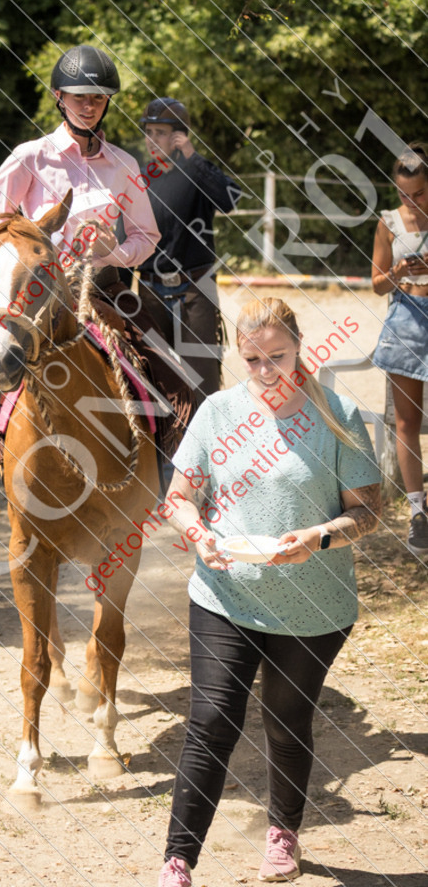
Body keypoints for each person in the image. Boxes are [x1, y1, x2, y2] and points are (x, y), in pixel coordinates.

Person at [157, 297, 381, 887]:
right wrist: (197, 532)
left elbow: (368, 513)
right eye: (252, 358)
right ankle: (177, 861)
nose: (265, 371)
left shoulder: (339, 415)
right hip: (224, 593)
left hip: (314, 604)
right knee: (209, 721)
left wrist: (321, 537)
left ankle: (283, 832)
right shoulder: (217, 413)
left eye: (277, 356)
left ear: (299, 345)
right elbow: (178, 498)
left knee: (286, 721)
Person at [0, 44, 166, 539]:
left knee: (163, 373)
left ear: (107, 102)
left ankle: (167, 483)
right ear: (59, 98)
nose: (88, 105)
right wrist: (29, 247)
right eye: (78, 96)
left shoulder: (124, 166)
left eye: (98, 97)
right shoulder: (29, 158)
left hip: (104, 292)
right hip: (33, 294)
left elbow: (147, 238)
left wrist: (111, 250)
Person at [137, 97, 239, 403]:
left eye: (161, 132)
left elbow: (229, 200)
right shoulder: (139, 179)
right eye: (149, 132)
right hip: (150, 292)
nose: (152, 139)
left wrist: (192, 156)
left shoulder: (198, 173)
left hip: (196, 290)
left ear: (179, 136)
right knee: (155, 380)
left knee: (203, 382)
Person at [371, 142, 428, 555]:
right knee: (407, 424)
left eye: (420, 193)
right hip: (406, 318)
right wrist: (399, 271)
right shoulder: (388, 222)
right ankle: (417, 513)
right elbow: (376, 284)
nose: (411, 201)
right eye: (404, 193)